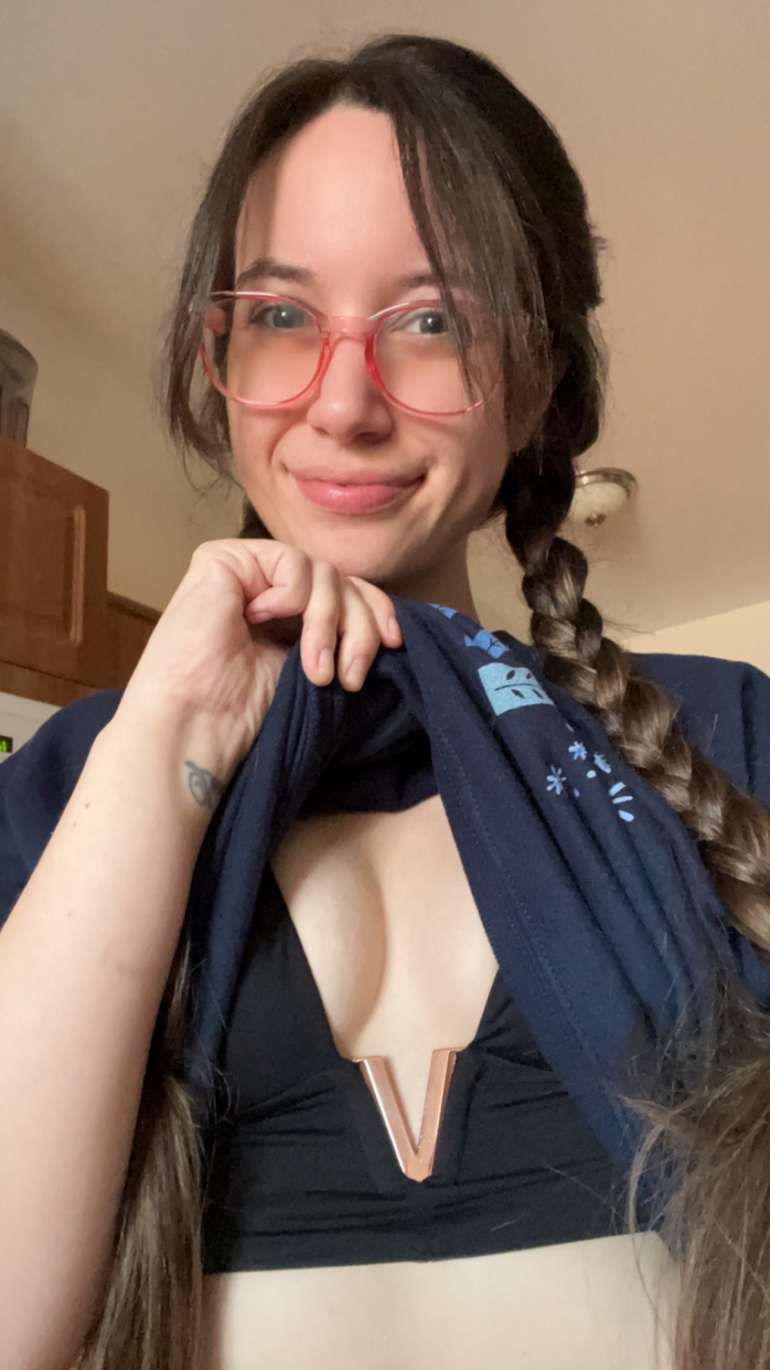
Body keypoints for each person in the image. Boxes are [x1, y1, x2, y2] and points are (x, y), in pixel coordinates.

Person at [1, 30, 770, 1370]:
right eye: (280, 315)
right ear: (219, 356)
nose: (345, 404)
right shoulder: (70, 785)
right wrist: (163, 745)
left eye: (429, 321)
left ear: (536, 380)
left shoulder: (725, 739)